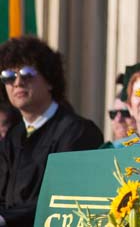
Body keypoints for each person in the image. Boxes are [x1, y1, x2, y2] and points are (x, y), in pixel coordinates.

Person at [0, 36, 103, 226]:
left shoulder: (77, 132)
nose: (17, 82)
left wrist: (6, 218)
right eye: (8, 76)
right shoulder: (11, 137)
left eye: (27, 73)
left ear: (49, 80)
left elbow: (61, 199)